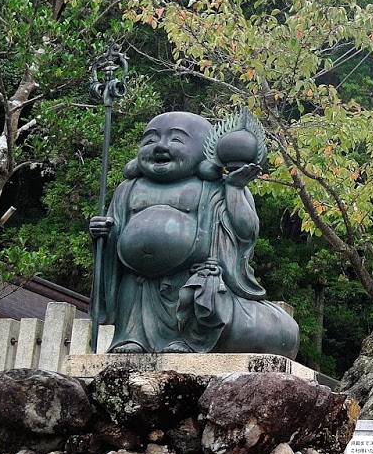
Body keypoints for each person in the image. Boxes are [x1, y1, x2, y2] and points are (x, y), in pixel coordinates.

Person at [89, 111, 298, 356]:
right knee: (133, 286)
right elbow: (115, 232)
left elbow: (246, 231)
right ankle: (131, 337)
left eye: (176, 140)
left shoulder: (215, 187)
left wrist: (234, 189)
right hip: (138, 278)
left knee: (196, 289)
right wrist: (103, 233)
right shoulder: (128, 189)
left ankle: (187, 339)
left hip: (191, 274)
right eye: (150, 140)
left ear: (205, 150)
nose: (160, 147)